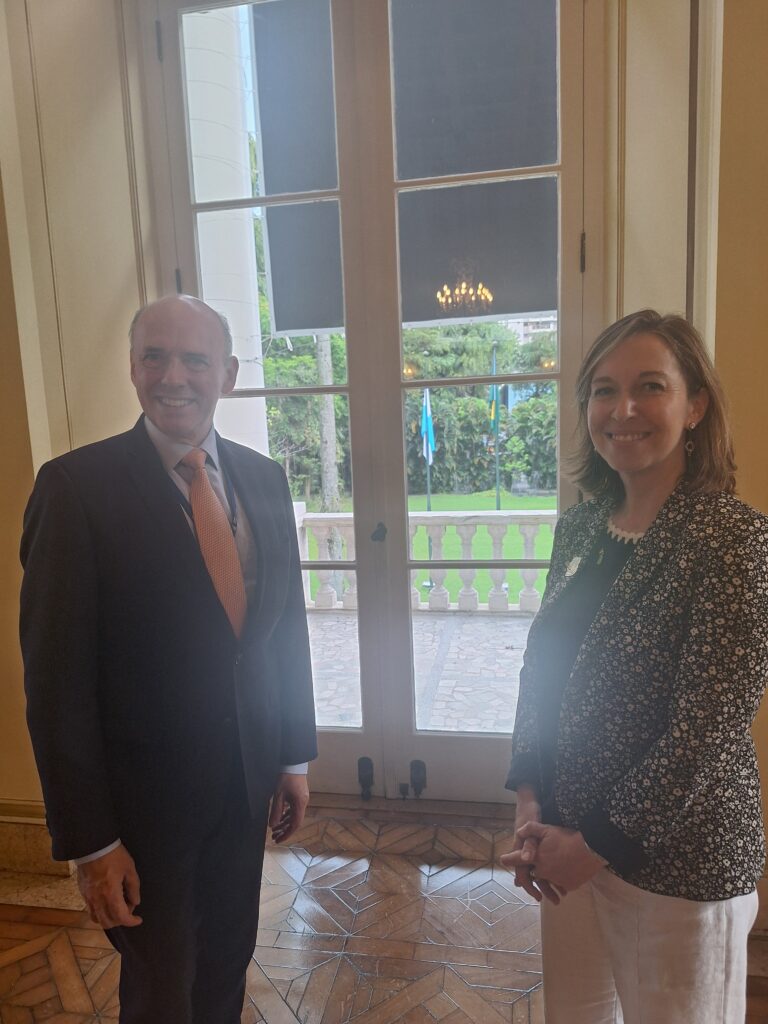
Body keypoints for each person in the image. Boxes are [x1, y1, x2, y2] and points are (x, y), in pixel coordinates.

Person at [20, 295, 318, 1024]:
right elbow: (56, 685)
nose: (173, 376)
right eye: (154, 357)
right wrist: (91, 842)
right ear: (132, 367)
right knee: (160, 987)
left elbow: (284, 632)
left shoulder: (264, 479)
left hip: (245, 786)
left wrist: (293, 756)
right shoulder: (74, 488)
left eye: (194, 359)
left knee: (225, 963)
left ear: (229, 374)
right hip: (142, 811)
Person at [501, 310, 768, 1023]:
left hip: (677, 867)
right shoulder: (580, 527)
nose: (623, 410)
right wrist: (530, 799)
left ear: (695, 406)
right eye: (604, 390)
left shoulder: (734, 541)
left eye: (650, 386)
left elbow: (706, 732)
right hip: (564, 848)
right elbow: (541, 670)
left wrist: (597, 844)